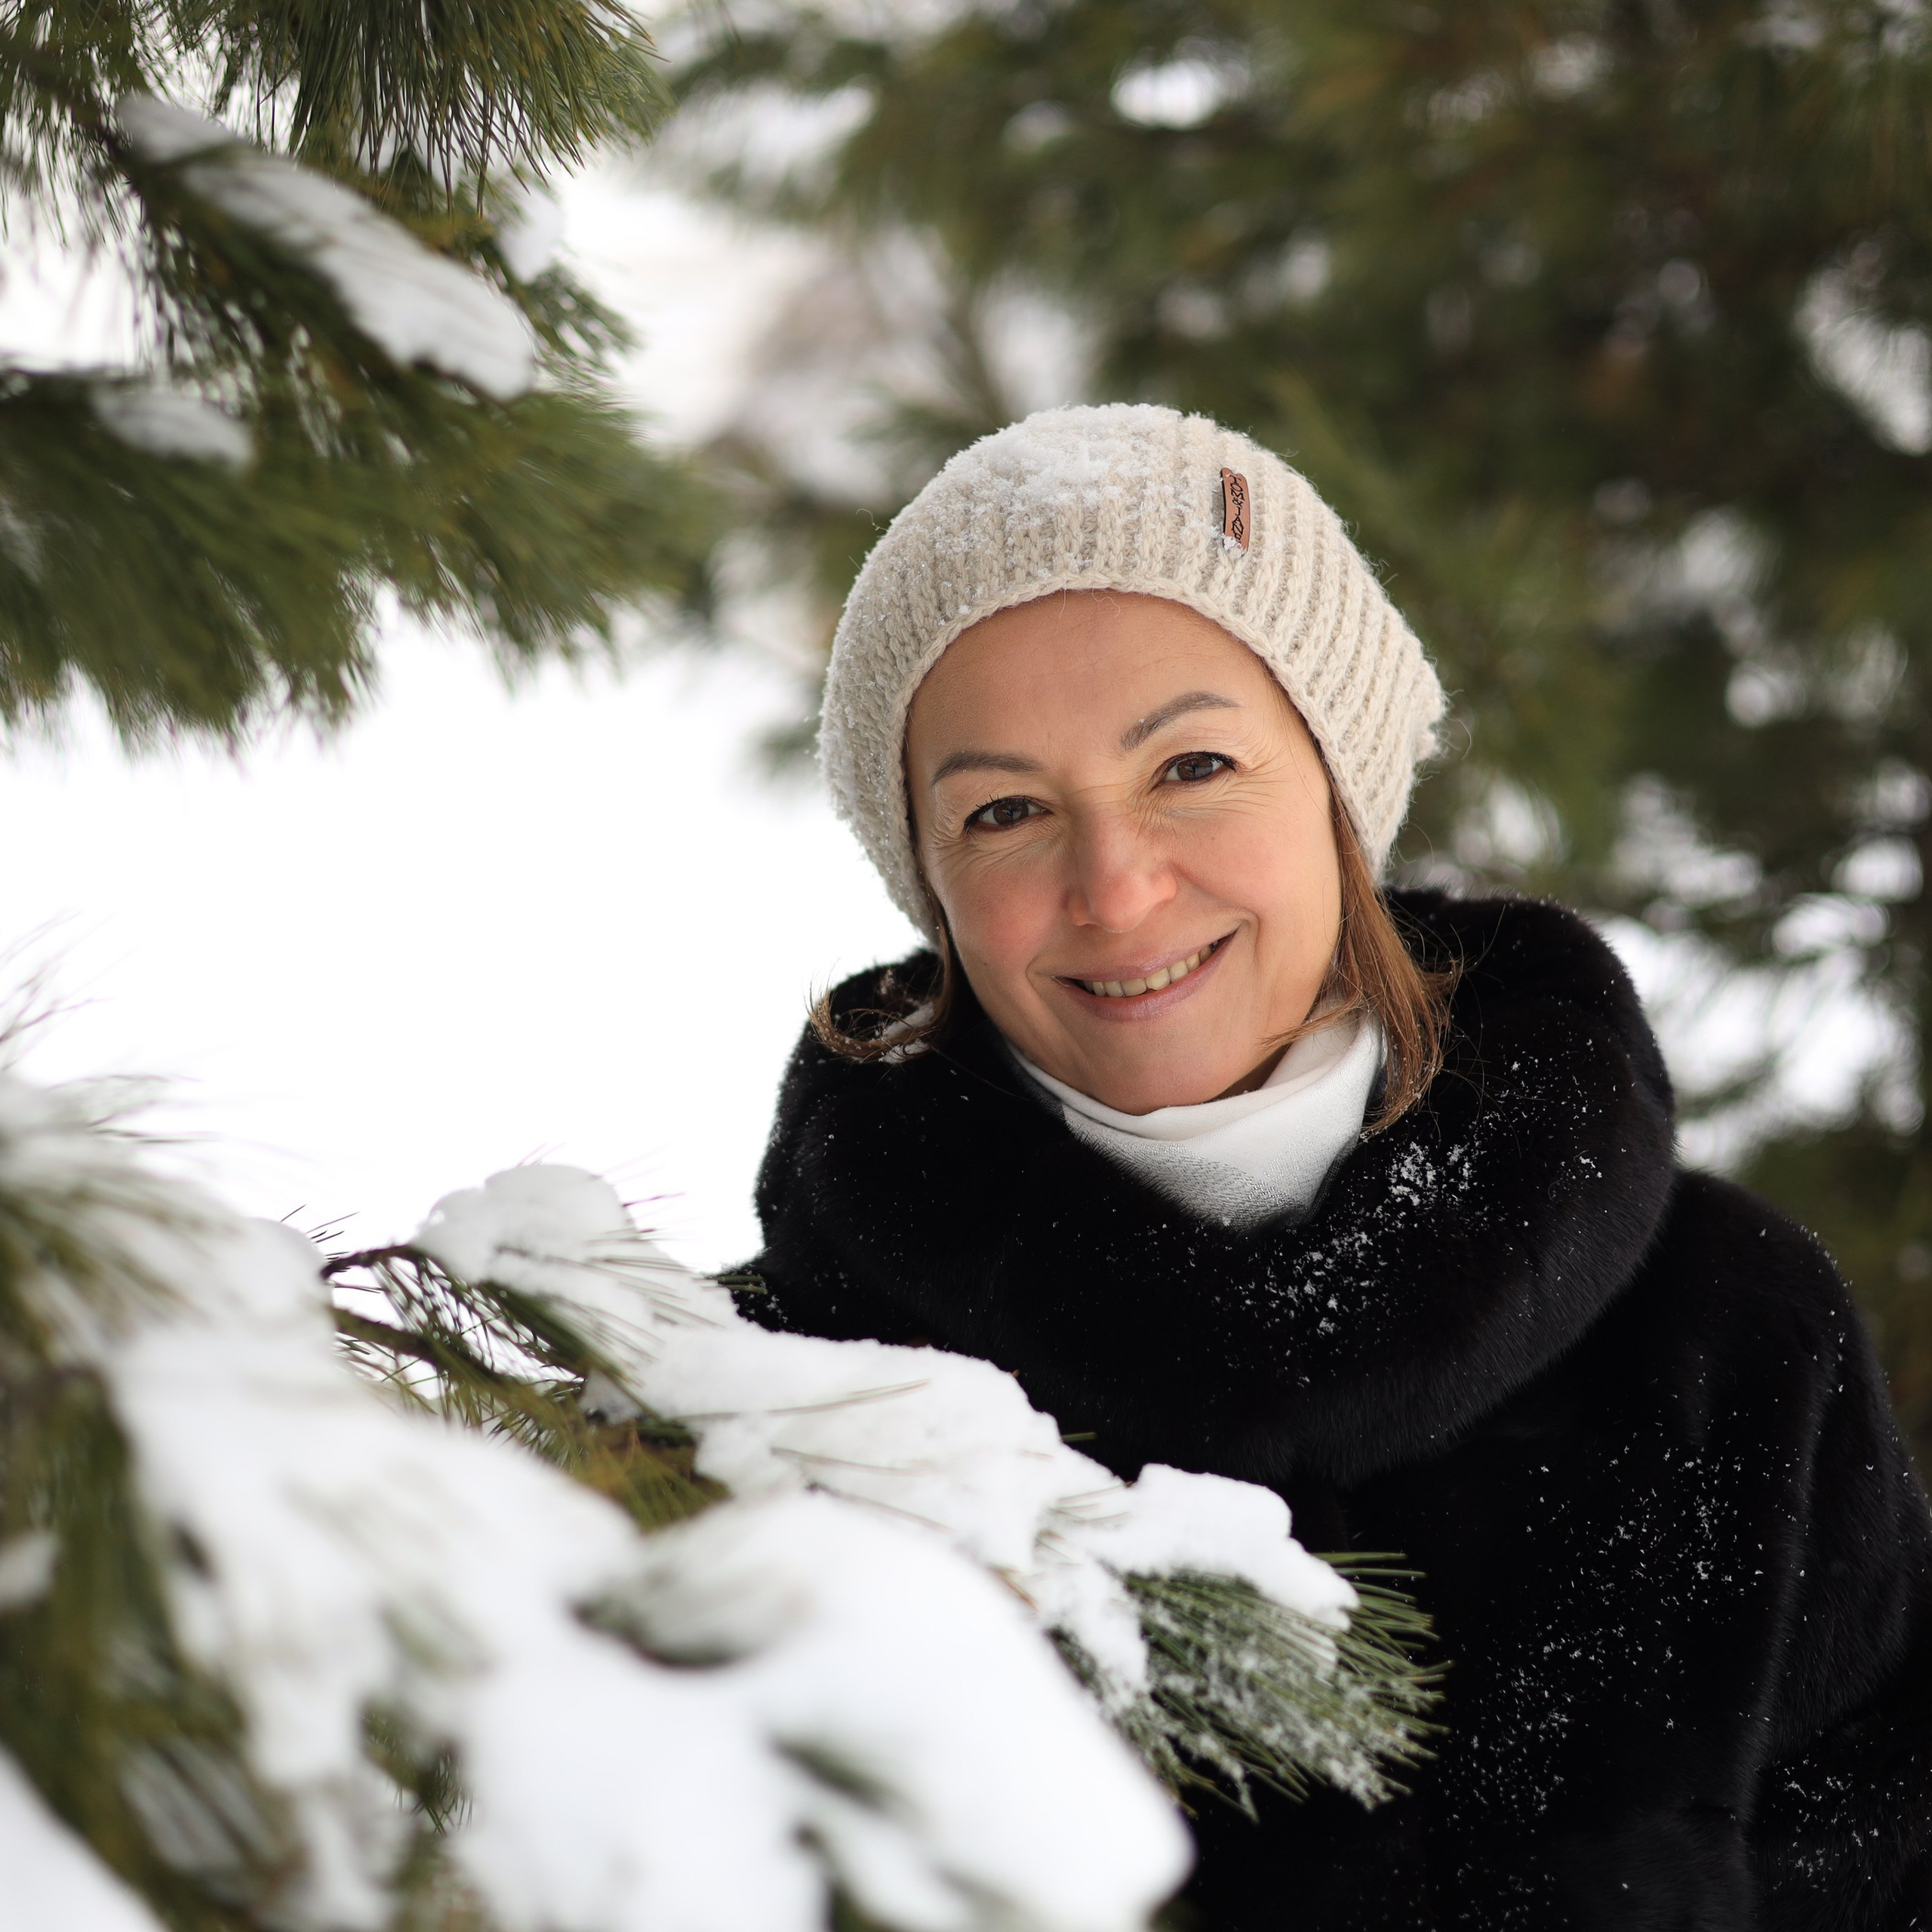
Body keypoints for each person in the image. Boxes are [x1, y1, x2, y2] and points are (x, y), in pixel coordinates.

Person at [741, 403, 1932, 1928]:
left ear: (1333, 780)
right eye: (1003, 809)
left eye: (1189, 764)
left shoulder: (1726, 1340)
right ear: (932, 879)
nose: (1112, 883)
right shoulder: (791, 1401)